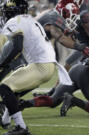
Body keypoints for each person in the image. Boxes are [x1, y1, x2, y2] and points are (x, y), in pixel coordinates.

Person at [0, 0, 76, 134]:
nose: (4, 14)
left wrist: (2, 64)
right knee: (14, 90)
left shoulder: (15, 21)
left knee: (5, 87)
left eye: (6, 11)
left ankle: (21, 128)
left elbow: (17, 47)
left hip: (40, 66)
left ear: (12, 11)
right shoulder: (29, 19)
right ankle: (5, 121)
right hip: (47, 65)